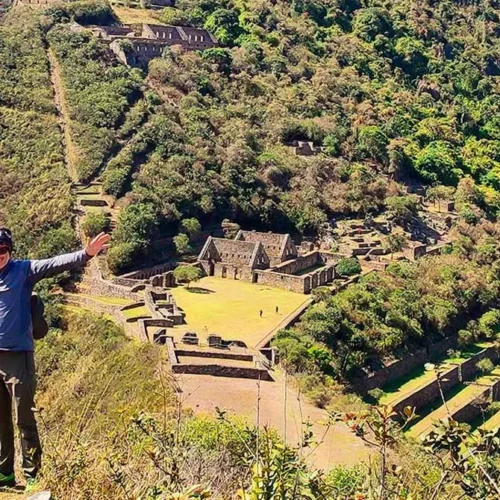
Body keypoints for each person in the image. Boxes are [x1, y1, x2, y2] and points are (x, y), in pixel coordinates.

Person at [0, 228, 110, 490]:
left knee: (23, 418)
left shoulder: (23, 270)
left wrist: (86, 254)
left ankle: (32, 476)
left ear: (10, 251)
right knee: (0, 420)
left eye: (2, 251)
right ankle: (4, 475)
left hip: (18, 357)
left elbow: (53, 263)